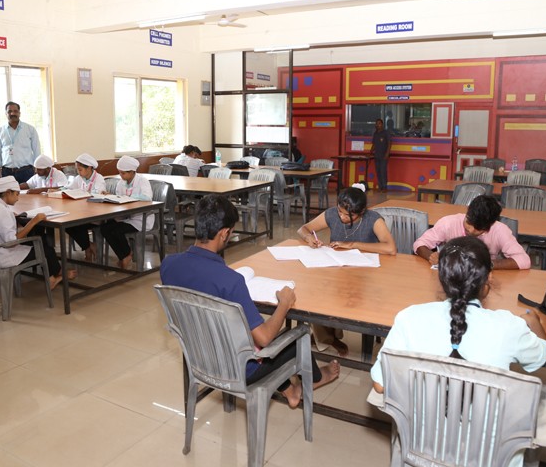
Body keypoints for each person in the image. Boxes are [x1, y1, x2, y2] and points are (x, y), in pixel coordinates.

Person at [369, 236, 546, 467]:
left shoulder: (409, 317)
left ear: (441, 278)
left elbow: (380, 386)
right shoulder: (508, 326)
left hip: (422, 447)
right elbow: (540, 357)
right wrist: (535, 322)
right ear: (489, 278)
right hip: (489, 457)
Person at [161, 194, 340, 408]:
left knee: (246, 327)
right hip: (239, 369)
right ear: (225, 233)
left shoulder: (168, 264)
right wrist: (283, 303)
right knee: (298, 336)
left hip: (198, 358)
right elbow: (264, 339)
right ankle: (317, 378)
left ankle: (290, 390)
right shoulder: (230, 280)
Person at [297, 183, 397, 356]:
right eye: (340, 212)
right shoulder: (332, 214)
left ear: (362, 212)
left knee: (351, 297)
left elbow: (390, 248)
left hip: (366, 274)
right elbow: (303, 228)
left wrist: (353, 244)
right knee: (316, 294)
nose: (342, 217)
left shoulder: (373, 219)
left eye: (348, 215)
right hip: (338, 269)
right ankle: (328, 337)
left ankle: (328, 337)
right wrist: (308, 238)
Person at [0, 177, 74, 290]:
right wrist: (33, 221)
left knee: (41, 244)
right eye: (16, 194)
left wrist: (13, 218)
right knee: (46, 249)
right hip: (3, 254)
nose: (18, 198)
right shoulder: (1, 211)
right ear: (8, 192)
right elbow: (12, 242)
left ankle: (57, 272)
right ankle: (53, 279)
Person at [413, 194, 531, 270]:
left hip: (482, 279)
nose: (470, 230)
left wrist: (488, 264)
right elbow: (419, 244)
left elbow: (524, 260)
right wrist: (431, 256)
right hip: (452, 276)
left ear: (489, 226)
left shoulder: (500, 230)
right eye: (468, 222)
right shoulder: (449, 223)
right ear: (467, 213)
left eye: (478, 228)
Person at [99, 156, 154, 269]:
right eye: (120, 173)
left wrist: (128, 197)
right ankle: (124, 255)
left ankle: (125, 254)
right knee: (104, 228)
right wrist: (111, 196)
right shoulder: (121, 183)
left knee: (117, 230)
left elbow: (147, 197)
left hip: (140, 219)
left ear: (132, 172)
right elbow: (120, 198)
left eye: (123, 173)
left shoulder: (142, 181)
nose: (121, 176)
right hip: (125, 216)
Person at [65, 153, 106, 262]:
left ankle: (87, 247)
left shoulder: (99, 178)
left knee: (76, 225)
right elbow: (69, 188)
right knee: (67, 225)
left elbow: (98, 195)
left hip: (95, 215)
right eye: (77, 170)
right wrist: (60, 190)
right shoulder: (79, 178)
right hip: (82, 213)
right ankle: (88, 246)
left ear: (89, 168)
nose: (78, 172)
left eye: (80, 169)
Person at [0, 101, 41, 184]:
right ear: (6, 114)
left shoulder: (30, 129)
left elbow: (37, 152)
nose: (12, 113)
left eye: (15, 111)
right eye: (9, 111)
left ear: (19, 113)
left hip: (26, 172)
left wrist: (38, 171)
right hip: (7, 173)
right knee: (8, 196)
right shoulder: (0, 131)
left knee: (28, 196)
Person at [372, 118, 391, 191]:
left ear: (382, 124)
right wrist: (370, 153)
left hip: (384, 155)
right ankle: (380, 187)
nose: (377, 125)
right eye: (376, 124)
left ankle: (385, 187)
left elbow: (389, 144)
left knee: (383, 171)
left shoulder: (386, 133)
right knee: (378, 171)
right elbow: (373, 144)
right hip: (376, 155)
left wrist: (387, 153)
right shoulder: (375, 133)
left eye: (379, 123)